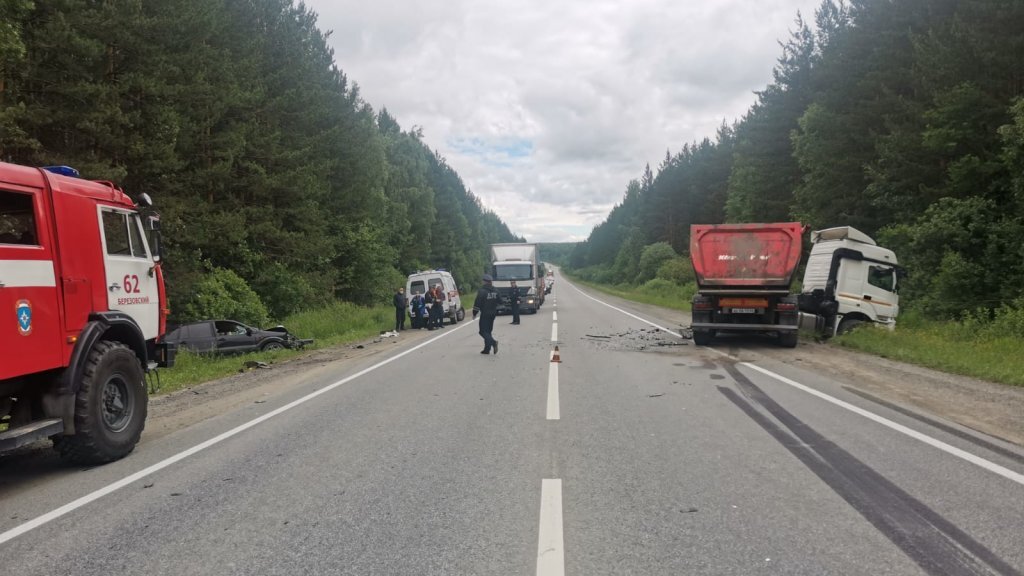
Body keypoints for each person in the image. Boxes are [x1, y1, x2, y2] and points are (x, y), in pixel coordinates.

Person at [473, 274, 500, 354]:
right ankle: (487, 349)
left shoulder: (482, 291)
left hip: (485, 314)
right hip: (493, 313)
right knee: (488, 331)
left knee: (482, 331)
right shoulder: (496, 290)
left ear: (484, 281)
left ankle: (493, 342)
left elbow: (477, 303)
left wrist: (474, 313)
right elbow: (500, 301)